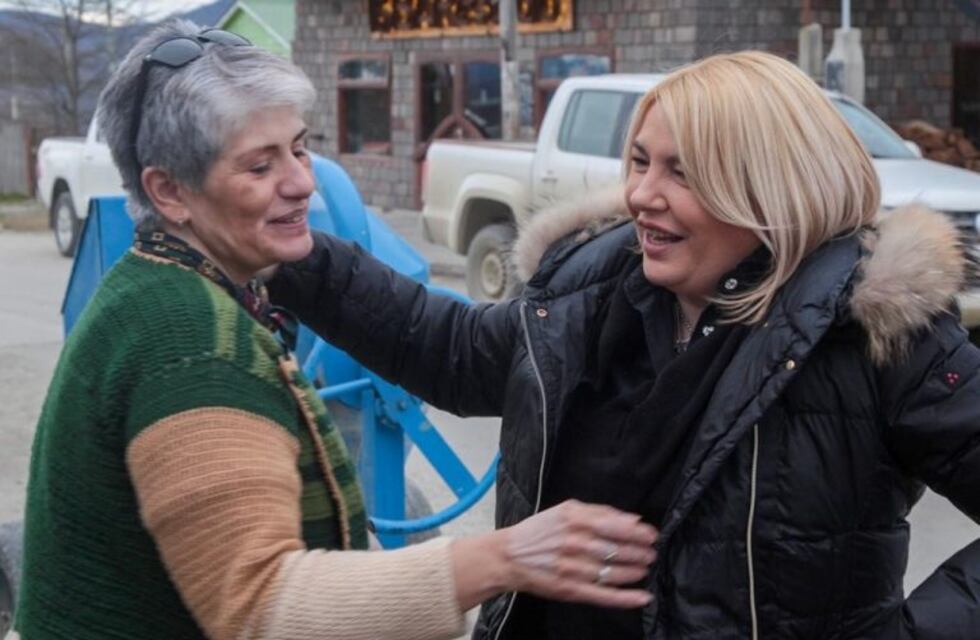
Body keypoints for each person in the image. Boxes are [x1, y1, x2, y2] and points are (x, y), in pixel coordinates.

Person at [268, 50, 980, 639]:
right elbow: (447, 347)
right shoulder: (592, 293)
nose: (642, 194)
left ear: (770, 188)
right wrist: (286, 258)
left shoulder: (874, 331)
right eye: (639, 162)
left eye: (682, 172)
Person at [13, 20, 660, 640]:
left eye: (300, 147)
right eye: (260, 166)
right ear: (169, 192)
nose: (301, 181)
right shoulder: (188, 342)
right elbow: (260, 604)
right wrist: (502, 560)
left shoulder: (167, 280)